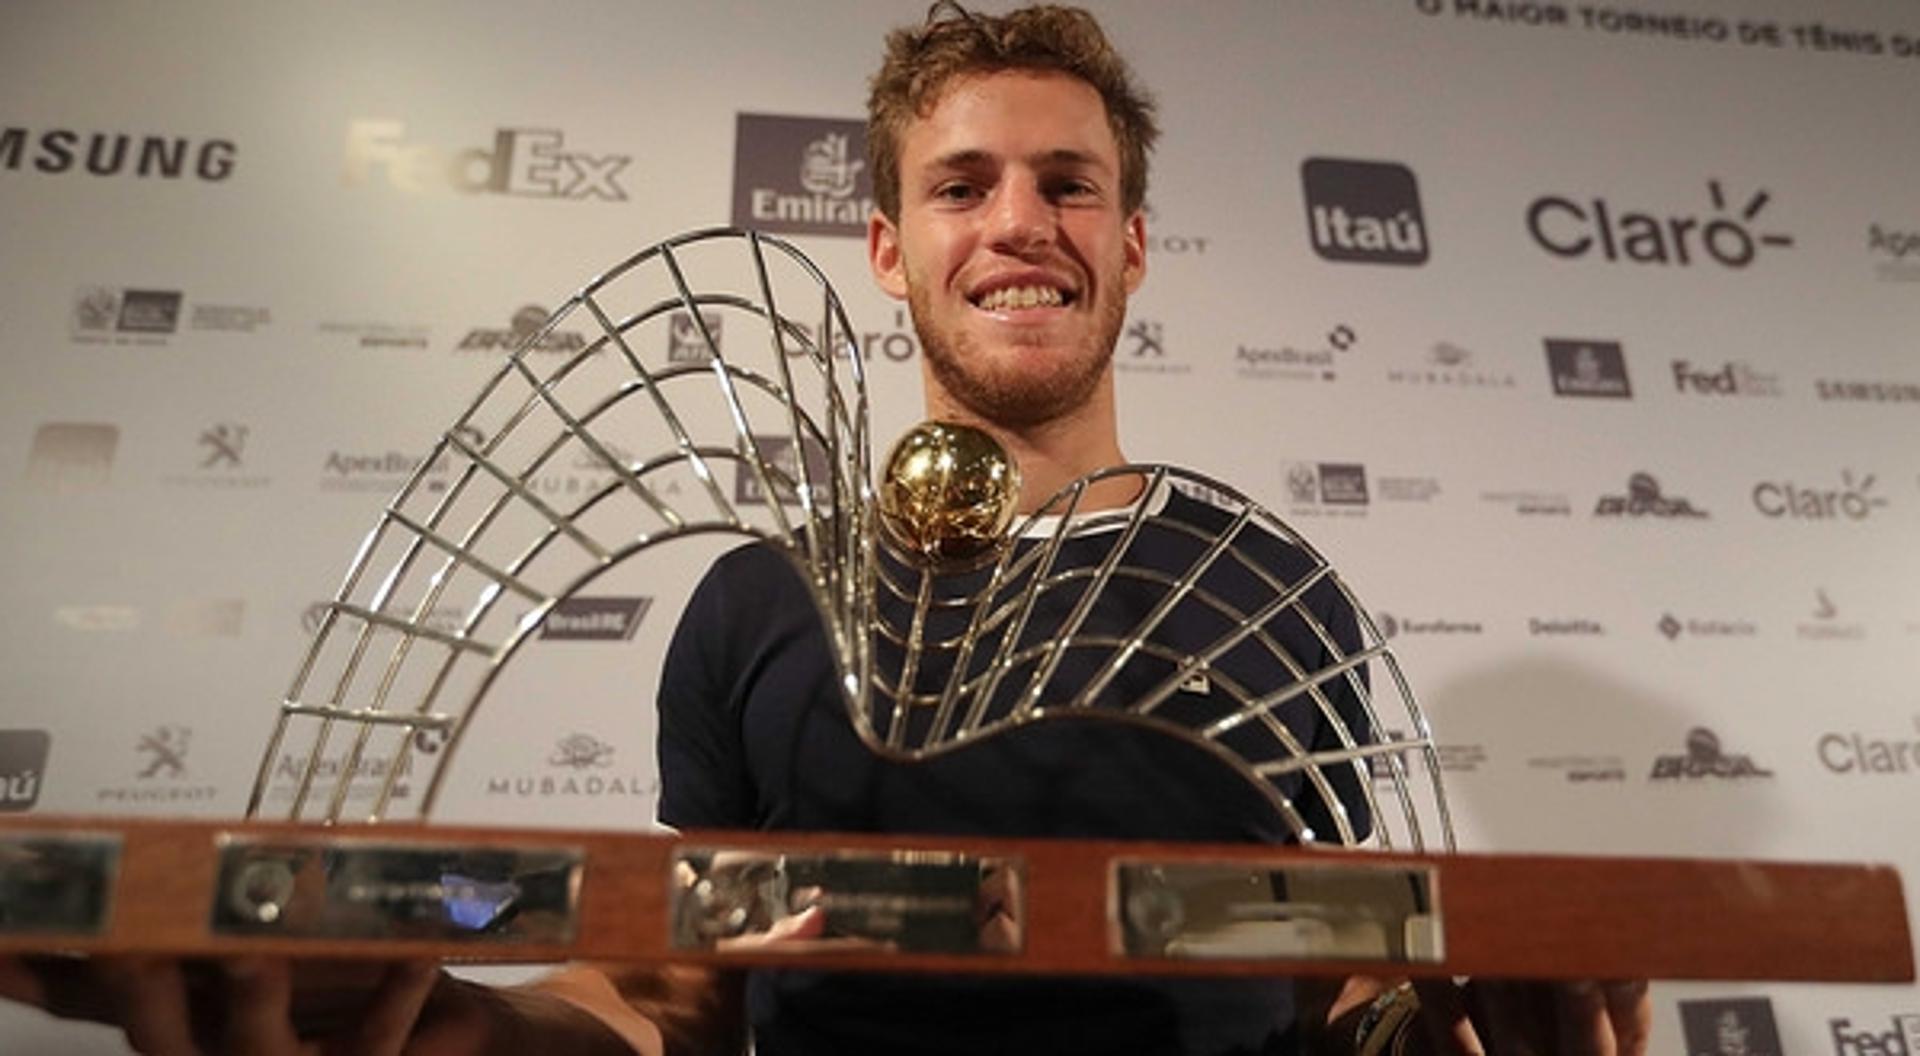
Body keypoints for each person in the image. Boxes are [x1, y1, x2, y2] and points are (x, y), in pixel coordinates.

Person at [0, 4, 1649, 1054]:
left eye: (1070, 185)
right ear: (883, 243)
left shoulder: (1269, 590)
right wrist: (449, 1028)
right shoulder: (751, 597)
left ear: (1134, 244)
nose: (1021, 223)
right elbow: (674, 996)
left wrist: (1476, 1032)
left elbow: (1338, 989)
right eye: (965, 184)